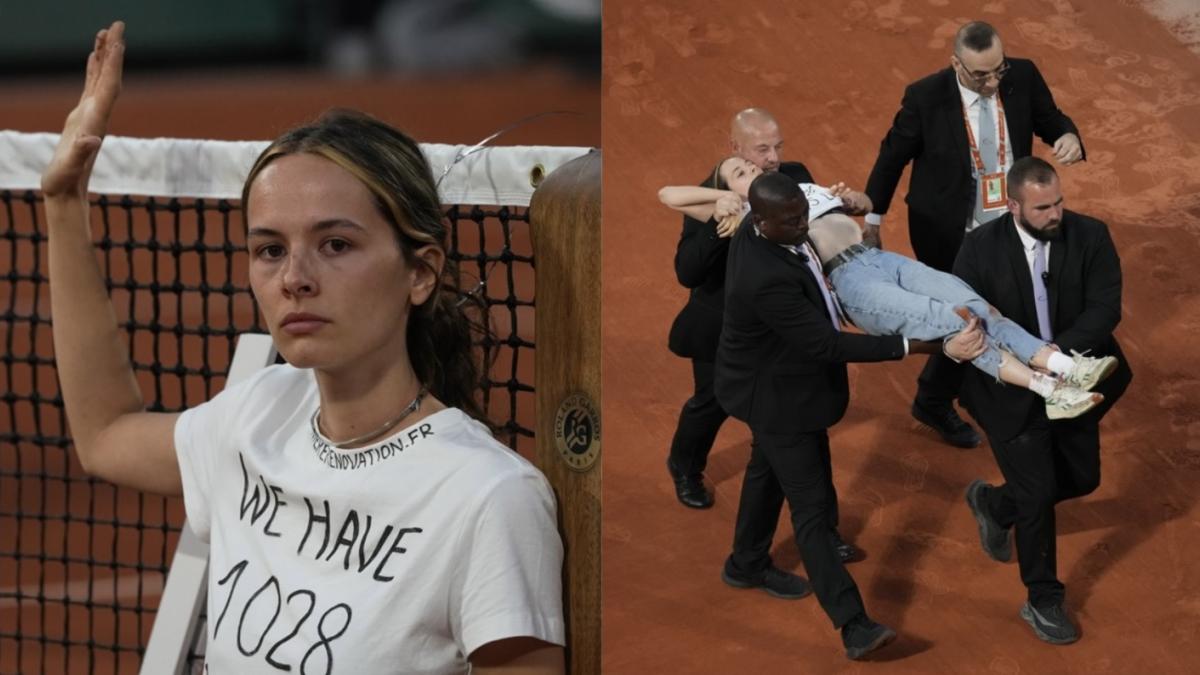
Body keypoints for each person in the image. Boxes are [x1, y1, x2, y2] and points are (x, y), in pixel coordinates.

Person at [43, 22, 564, 674]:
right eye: (270, 249)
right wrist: (63, 203)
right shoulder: (257, 413)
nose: (294, 277)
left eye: (336, 244)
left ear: (420, 272)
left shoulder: (490, 497)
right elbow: (104, 433)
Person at [713, 171, 988, 660]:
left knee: (766, 471)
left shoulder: (768, 230)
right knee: (813, 509)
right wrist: (920, 345)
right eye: (791, 221)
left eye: (804, 215)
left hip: (781, 387)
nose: (803, 227)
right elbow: (826, 343)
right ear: (762, 221)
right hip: (777, 401)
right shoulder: (765, 279)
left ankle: (746, 562)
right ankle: (853, 624)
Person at [659, 157, 1117, 418]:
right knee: (956, 323)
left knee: (976, 304)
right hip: (849, 284)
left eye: (748, 163)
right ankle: (1049, 391)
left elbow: (864, 205)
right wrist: (720, 194)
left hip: (879, 258)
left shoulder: (799, 189)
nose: (750, 166)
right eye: (738, 170)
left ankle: (1064, 365)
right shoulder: (746, 216)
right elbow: (667, 195)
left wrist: (858, 201)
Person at [863, 21, 1085, 448]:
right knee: (967, 319)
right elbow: (891, 158)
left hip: (1009, 225)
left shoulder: (1022, 75)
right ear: (956, 64)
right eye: (980, 74)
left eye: (997, 70)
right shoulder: (925, 96)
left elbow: (1049, 118)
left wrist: (1067, 135)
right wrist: (872, 223)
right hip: (951, 232)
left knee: (1007, 308)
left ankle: (966, 392)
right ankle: (940, 399)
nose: (992, 81)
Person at [954, 157, 1131, 645]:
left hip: (1072, 380)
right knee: (1037, 493)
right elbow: (970, 318)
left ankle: (993, 502)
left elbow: (1104, 308)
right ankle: (1043, 598)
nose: (1055, 214)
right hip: (1009, 389)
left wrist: (1056, 356)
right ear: (1013, 206)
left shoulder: (1090, 235)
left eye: (1059, 202)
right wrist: (1029, 362)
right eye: (1042, 208)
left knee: (1081, 478)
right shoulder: (979, 248)